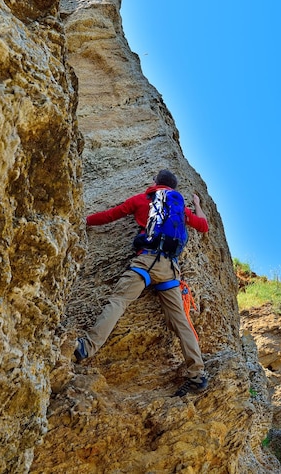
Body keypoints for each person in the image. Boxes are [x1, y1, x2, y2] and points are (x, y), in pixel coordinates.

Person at [74, 169, 210, 397]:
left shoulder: (142, 200)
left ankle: (86, 347)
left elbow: (110, 216)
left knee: (118, 302)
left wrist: (83, 221)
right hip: (170, 269)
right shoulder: (179, 208)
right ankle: (197, 373)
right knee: (180, 321)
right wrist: (196, 203)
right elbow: (203, 226)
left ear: (154, 183)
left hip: (145, 261)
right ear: (173, 189)